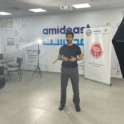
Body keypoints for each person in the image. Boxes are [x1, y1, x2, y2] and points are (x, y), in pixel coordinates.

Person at [58, 31, 83, 112]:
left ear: (72, 38)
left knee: (75, 88)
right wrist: (62, 58)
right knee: (63, 87)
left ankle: (77, 104)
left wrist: (75, 59)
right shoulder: (62, 47)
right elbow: (59, 57)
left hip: (74, 69)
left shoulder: (77, 47)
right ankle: (62, 103)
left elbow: (81, 57)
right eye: (67, 37)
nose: (68, 38)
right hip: (64, 69)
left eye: (70, 37)